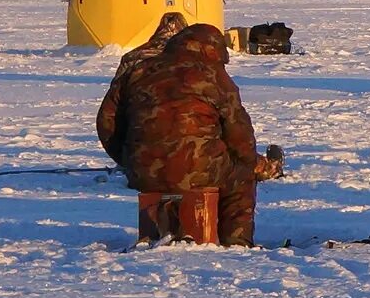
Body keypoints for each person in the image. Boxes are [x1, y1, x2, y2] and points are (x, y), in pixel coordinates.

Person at [97, 24, 282, 246]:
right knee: (241, 178)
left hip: (143, 170)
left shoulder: (139, 70)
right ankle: (236, 243)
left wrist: (129, 158)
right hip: (200, 167)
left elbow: (107, 122)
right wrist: (248, 163)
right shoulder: (213, 75)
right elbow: (239, 133)